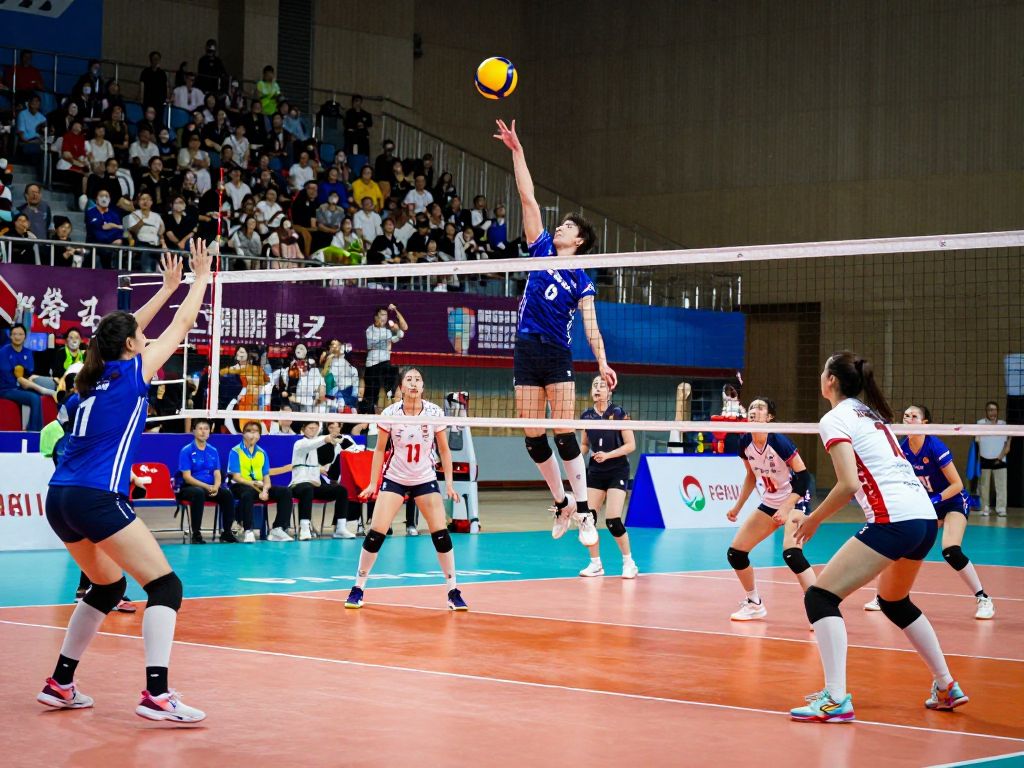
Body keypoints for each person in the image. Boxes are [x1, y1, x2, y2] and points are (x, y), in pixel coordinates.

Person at [39, 243, 212, 722]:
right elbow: (178, 327)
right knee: (166, 587)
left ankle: (61, 683)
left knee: (106, 588)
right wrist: (200, 279)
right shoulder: (131, 376)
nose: (143, 336)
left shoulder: (87, 383)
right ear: (133, 347)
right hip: (96, 497)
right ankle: (157, 695)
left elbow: (118, 329)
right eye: (139, 336)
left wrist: (167, 288)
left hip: (60, 498)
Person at [789, 351, 967, 723]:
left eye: (823, 370)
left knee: (820, 596)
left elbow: (848, 484)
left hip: (895, 519)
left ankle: (835, 698)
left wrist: (814, 519)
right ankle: (946, 684)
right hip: (923, 519)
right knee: (895, 601)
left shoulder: (835, 418)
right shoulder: (872, 416)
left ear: (831, 381)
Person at [493, 118, 616, 545]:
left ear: (580, 241)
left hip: (557, 354)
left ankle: (584, 510)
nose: (560, 227)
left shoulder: (583, 278)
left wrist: (601, 360)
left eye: (568, 227)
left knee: (563, 429)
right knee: (532, 433)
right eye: (560, 225)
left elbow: (591, 324)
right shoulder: (541, 248)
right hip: (526, 347)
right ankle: (561, 501)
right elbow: (527, 198)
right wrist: (516, 149)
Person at [345, 367, 467, 611]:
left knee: (441, 534)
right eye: (409, 380)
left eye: (418, 379)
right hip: (395, 478)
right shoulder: (390, 413)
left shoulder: (434, 412)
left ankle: (453, 591)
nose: (414, 383)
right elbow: (379, 449)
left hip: (425, 477)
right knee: (376, 532)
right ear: (401, 386)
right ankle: (358, 587)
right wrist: (373, 482)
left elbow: (444, 450)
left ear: (423, 386)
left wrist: (450, 484)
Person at [863, 405, 994, 619]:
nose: (908, 419)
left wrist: (935, 499)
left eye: (914, 416)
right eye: (906, 416)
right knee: (898, 545)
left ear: (925, 423)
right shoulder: (902, 449)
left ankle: (983, 598)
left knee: (951, 550)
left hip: (952, 501)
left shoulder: (935, 446)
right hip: (926, 504)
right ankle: (882, 597)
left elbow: (957, 484)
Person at [722, 397, 815, 621]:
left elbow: (803, 478)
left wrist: (786, 506)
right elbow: (751, 477)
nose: (755, 411)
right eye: (752, 407)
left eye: (760, 408)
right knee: (736, 553)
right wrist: (737, 507)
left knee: (792, 553)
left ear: (770, 417)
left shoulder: (779, 442)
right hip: (771, 500)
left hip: (796, 498)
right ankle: (754, 603)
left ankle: (820, 611)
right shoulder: (744, 442)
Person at [577, 376, 639, 579]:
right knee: (589, 520)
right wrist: (576, 455)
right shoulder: (586, 416)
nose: (597, 389)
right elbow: (585, 444)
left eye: (601, 385)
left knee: (613, 520)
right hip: (595, 471)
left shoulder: (619, 413)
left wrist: (608, 455)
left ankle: (629, 563)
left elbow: (631, 445)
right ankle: (595, 564)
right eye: (594, 385)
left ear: (609, 391)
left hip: (617, 470)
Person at [228, 421, 293, 542]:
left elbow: (266, 477)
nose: (253, 435)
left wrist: (265, 490)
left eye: (256, 432)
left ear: (259, 436)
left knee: (285, 492)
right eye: (249, 431)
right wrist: (253, 484)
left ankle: (277, 529)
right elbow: (236, 477)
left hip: (259, 486)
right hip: (240, 485)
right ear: (243, 434)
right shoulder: (235, 451)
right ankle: (248, 530)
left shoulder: (262, 453)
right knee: (247, 494)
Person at [176, 418, 236, 544]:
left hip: (209, 487)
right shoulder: (186, 450)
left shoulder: (213, 451)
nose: (203, 432)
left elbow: (217, 473)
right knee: (198, 493)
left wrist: (216, 486)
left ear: (210, 431)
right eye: (200, 428)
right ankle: (196, 534)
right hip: (189, 487)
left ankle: (227, 532)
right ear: (194, 431)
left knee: (227, 494)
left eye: (206, 429)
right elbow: (187, 477)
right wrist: (207, 486)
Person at [288, 421, 346, 540]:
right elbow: (312, 444)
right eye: (310, 428)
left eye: (316, 429)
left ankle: (340, 528)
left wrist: (335, 443)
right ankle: (304, 528)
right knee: (307, 489)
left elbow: (324, 451)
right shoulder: (299, 443)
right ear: (303, 428)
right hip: (298, 484)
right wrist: (327, 438)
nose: (313, 431)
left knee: (341, 490)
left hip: (315, 484)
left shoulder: (317, 444)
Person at [0, 324, 57, 430]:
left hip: (21, 387)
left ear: (25, 337)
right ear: (10, 336)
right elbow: (18, 377)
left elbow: (28, 374)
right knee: (34, 398)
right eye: (15, 334)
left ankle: (34, 429)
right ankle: (34, 432)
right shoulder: (3, 352)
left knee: (39, 396)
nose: (17, 337)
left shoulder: (28, 352)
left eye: (20, 334)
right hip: (6, 389)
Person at [363, 305, 407, 410]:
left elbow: (398, 337)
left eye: (386, 315)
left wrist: (398, 331)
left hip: (384, 362)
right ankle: (368, 412)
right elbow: (372, 344)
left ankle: (391, 394)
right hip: (372, 364)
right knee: (372, 392)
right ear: (376, 317)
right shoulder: (370, 329)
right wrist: (388, 338)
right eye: (382, 314)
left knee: (393, 371)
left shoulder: (387, 331)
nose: (385, 317)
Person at [976, 400, 1010, 517]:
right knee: (984, 486)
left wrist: (1000, 457)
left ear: (998, 412)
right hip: (985, 459)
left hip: (1000, 459)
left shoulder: (1003, 424)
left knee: (1001, 486)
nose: (993, 412)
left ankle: (1001, 509)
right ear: (986, 411)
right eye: (990, 410)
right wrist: (979, 460)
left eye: (995, 410)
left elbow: (1007, 443)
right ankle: (985, 508)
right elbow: (978, 442)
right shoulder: (980, 424)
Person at [320, 338, 360, 408]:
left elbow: (355, 375)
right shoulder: (329, 360)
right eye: (332, 345)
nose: (335, 347)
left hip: (348, 394)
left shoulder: (347, 359)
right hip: (333, 396)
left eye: (337, 345)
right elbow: (324, 374)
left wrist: (354, 395)